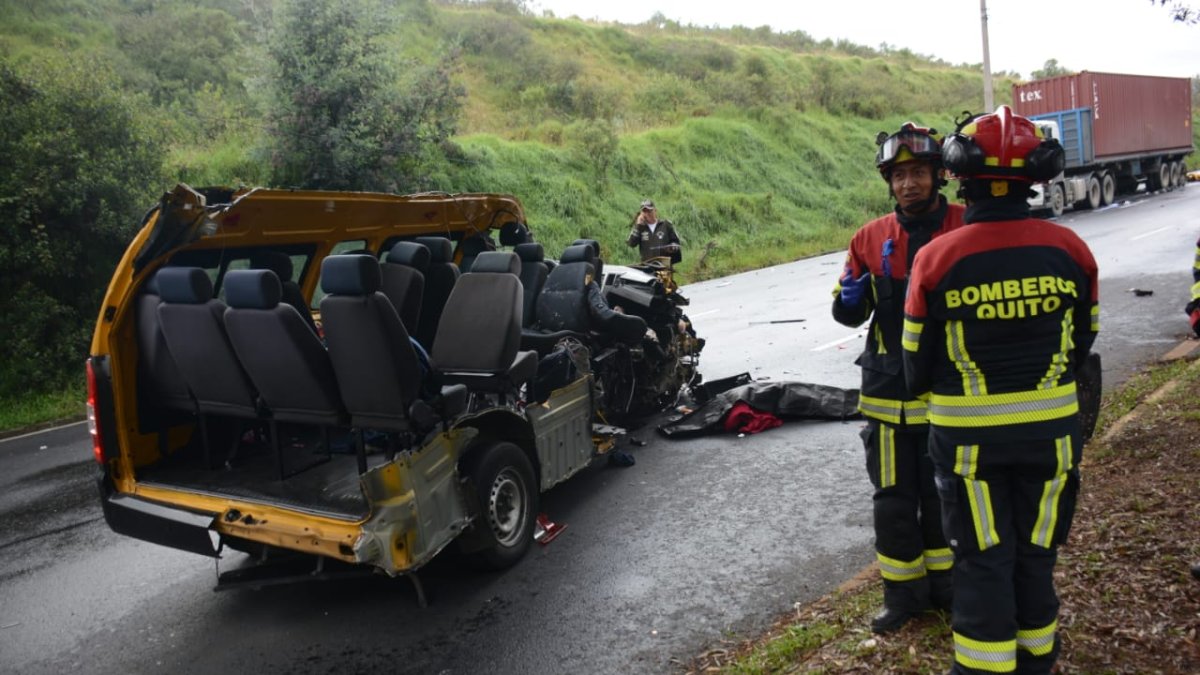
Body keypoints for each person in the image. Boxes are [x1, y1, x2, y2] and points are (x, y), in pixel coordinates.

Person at [903, 105, 1098, 674]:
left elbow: (915, 367)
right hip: (1053, 438)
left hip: (968, 446)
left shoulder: (936, 258)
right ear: (1039, 173)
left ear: (958, 171)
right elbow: (1083, 345)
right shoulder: (1071, 251)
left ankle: (984, 667)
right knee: (1036, 555)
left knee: (983, 559)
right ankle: (1038, 661)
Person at [831, 122, 965, 633]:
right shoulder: (869, 238)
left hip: (948, 394)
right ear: (889, 182)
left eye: (919, 173)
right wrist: (848, 300)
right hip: (887, 397)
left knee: (941, 498)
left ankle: (947, 590)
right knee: (892, 501)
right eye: (900, 175)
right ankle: (902, 597)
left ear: (938, 175)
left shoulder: (964, 225)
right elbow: (847, 314)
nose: (909, 184)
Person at [626, 199, 681, 264]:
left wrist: (672, 248)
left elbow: (676, 243)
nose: (647, 214)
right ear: (641, 213)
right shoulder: (640, 228)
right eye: (644, 211)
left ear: (655, 211)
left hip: (664, 267)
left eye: (649, 211)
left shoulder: (666, 225)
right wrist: (638, 226)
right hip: (646, 268)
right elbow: (631, 244)